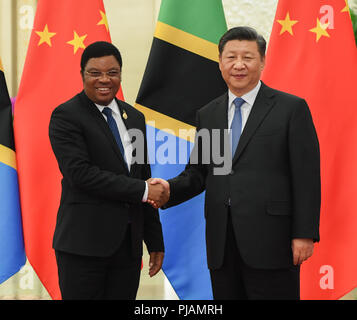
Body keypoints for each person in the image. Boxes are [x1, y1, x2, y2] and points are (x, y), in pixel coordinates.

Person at [149, 27, 320, 300]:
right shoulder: (209, 113)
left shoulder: (291, 109)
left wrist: (304, 234)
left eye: (248, 57)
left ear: (262, 61)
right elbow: (199, 172)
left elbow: (306, 176)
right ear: (220, 63)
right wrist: (168, 188)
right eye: (231, 57)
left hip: (273, 242)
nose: (239, 65)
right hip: (222, 243)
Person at [49, 41, 165, 300]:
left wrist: (154, 241)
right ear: (82, 75)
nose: (104, 79)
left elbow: (142, 175)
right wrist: (145, 190)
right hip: (83, 247)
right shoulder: (66, 116)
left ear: (120, 75)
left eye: (112, 73)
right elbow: (81, 175)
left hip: (127, 248)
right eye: (95, 73)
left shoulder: (134, 118)